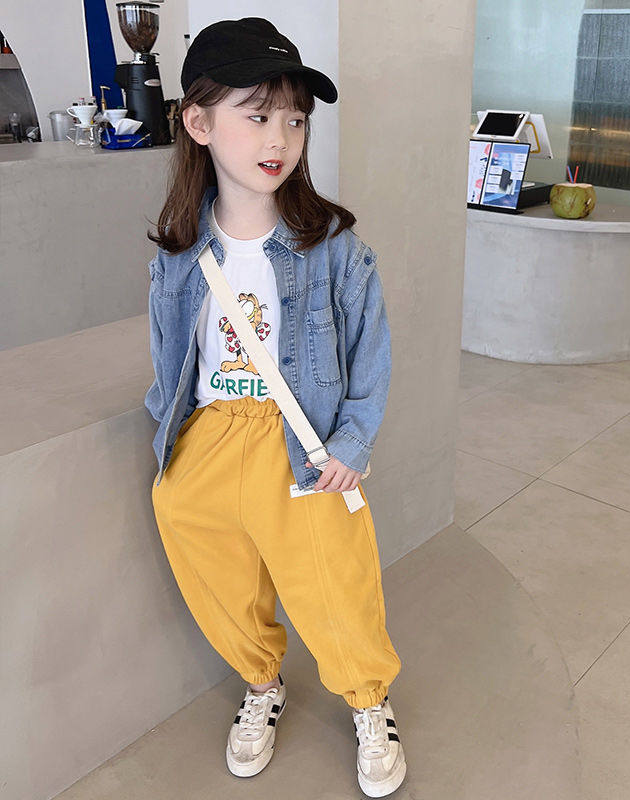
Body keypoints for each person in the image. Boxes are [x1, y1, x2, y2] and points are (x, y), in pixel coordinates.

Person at [144, 17, 406, 797]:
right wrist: (171, 439)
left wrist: (353, 442)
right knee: (215, 569)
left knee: (334, 583)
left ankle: (368, 701)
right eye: (257, 115)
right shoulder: (179, 252)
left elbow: (372, 354)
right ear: (199, 124)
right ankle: (262, 681)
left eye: (294, 119)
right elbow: (170, 355)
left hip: (301, 443)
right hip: (211, 436)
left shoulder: (335, 248)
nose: (280, 137)